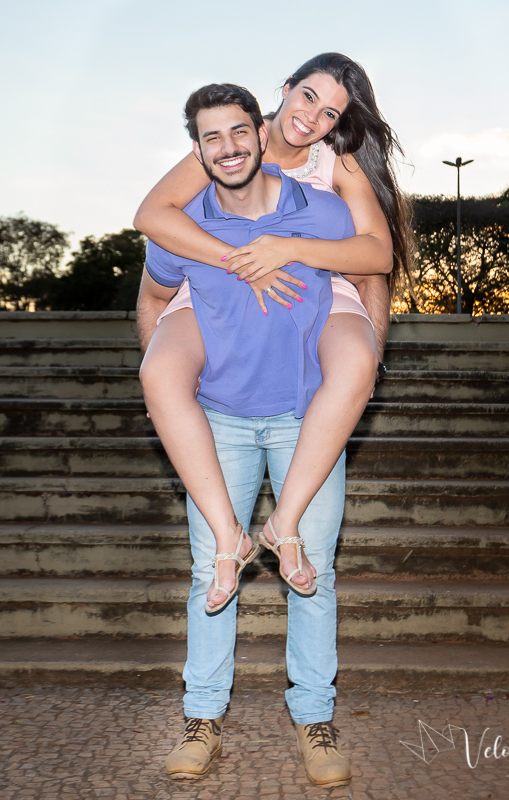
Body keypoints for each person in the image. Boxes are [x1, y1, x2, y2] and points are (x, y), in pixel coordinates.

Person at [134, 52, 414, 612]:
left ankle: (283, 525)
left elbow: (376, 255)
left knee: (354, 356)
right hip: (213, 284)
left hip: (306, 291)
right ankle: (228, 538)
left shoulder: (338, 162)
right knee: (161, 374)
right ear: (285, 89)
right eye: (308, 96)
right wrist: (242, 260)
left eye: (332, 113)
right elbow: (151, 215)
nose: (312, 117)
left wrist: (285, 249)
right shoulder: (236, 137)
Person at [137, 83, 357, 787]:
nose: (227, 148)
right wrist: (164, 388)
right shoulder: (181, 224)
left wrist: (367, 342)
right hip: (221, 418)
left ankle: (315, 721)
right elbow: (154, 298)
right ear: (196, 150)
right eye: (211, 138)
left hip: (302, 415)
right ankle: (202, 721)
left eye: (238, 133)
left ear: (260, 136)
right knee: (212, 572)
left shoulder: (317, 210)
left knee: (311, 570)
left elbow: (374, 258)